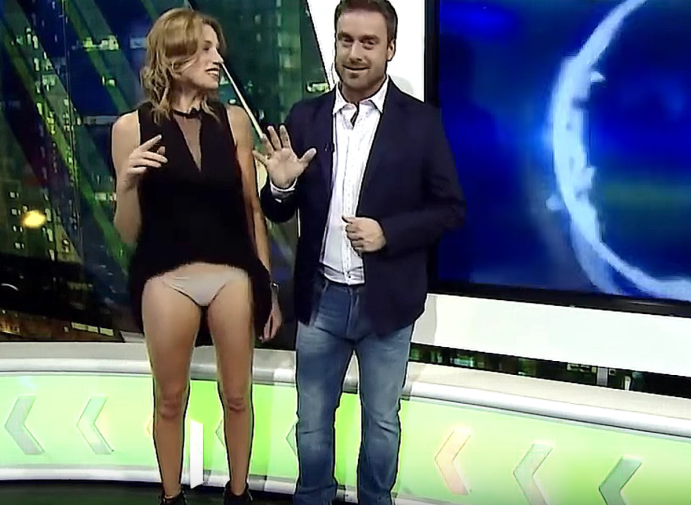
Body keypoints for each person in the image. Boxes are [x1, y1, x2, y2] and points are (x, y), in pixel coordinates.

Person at [254, 1, 465, 504]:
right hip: (320, 299)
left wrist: (388, 232)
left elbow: (450, 209)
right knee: (311, 423)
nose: (354, 53)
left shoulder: (420, 123)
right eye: (345, 40)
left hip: (386, 302)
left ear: (390, 48)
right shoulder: (304, 118)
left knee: (381, 425)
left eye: (368, 42)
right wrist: (280, 187)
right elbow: (277, 209)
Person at [111, 8, 282, 505]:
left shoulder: (233, 123)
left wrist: (267, 287)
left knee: (237, 395)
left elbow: (252, 210)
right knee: (170, 398)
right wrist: (126, 185)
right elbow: (129, 232)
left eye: (217, 48)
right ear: (174, 55)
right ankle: (171, 497)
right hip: (167, 276)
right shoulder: (130, 128)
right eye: (205, 49)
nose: (217, 59)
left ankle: (238, 493)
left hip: (232, 273)